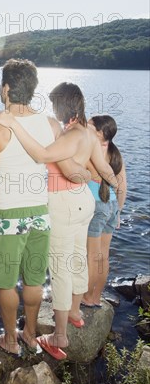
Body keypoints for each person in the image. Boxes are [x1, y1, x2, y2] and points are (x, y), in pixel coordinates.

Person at [0, 60, 90, 357]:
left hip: (7, 216)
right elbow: (68, 167)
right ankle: (30, 334)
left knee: (4, 281)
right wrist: (87, 175)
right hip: (40, 214)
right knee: (34, 278)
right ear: (31, 90)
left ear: (5, 88)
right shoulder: (51, 124)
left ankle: (10, 340)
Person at [0, 82, 118, 360]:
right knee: (77, 258)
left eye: (54, 105)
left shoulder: (71, 134)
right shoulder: (87, 132)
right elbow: (105, 168)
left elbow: (41, 155)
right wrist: (118, 199)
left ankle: (59, 335)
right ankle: (75, 312)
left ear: (64, 105)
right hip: (83, 201)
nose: (52, 110)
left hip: (64, 205)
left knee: (61, 268)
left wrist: (13, 123)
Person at [82, 115, 127, 308]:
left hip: (96, 207)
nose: (86, 128)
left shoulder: (90, 152)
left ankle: (85, 297)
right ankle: (95, 296)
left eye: (90, 127)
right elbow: (123, 186)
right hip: (111, 206)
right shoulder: (116, 153)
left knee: (91, 255)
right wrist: (118, 212)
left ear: (100, 133)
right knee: (103, 255)